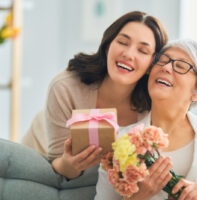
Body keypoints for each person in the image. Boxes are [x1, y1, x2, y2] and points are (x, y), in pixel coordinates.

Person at [22, 11, 168, 180]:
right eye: (122, 42)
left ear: (152, 64)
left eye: (143, 50)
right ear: (107, 46)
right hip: (41, 160)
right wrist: (70, 165)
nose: (128, 54)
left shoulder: (153, 102)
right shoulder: (66, 86)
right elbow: (57, 163)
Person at [95, 38, 197, 200]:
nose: (165, 67)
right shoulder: (119, 141)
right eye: (161, 61)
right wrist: (138, 197)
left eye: (180, 66)